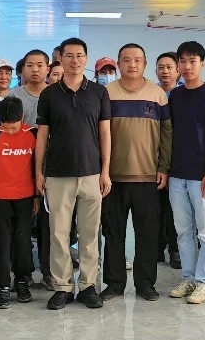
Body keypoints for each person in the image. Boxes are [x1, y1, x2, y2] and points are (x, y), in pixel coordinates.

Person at [36, 37, 111, 310]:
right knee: (59, 233)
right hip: (57, 174)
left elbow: (105, 133)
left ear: (86, 59)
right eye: (69, 55)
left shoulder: (99, 93)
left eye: (80, 55)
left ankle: (89, 285)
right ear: (61, 59)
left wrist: (105, 171)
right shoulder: (49, 94)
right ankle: (62, 287)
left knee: (90, 234)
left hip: (92, 173)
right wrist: (39, 172)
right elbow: (42, 137)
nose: (75, 60)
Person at [101, 43, 171, 301]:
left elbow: (167, 134)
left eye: (137, 60)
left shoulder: (157, 94)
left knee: (147, 234)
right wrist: (102, 171)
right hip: (113, 178)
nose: (132, 64)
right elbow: (98, 134)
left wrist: (163, 166)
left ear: (144, 64)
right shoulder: (106, 93)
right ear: (119, 63)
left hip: (148, 177)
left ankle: (145, 284)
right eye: (126, 60)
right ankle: (114, 283)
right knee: (113, 234)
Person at [166, 40, 205, 305]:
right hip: (177, 174)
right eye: (183, 61)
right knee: (183, 231)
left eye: (193, 61)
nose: (187, 66)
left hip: (202, 176)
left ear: (202, 64)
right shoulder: (175, 96)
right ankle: (189, 277)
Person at [0, 96, 38, 308]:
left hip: (26, 197)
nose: (9, 131)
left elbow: (37, 167)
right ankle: (2, 286)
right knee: (2, 243)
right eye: (6, 127)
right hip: (1, 197)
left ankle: (22, 280)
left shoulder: (32, 134)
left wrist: (37, 196)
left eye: (14, 127)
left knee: (23, 242)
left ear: (22, 117)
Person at [11, 49, 52, 285]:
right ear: (23, 69)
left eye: (39, 65)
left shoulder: (56, 94)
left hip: (51, 168)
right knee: (22, 224)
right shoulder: (13, 97)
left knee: (49, 224)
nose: (35, 70)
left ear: (48, 68)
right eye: (30, 65)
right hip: (20, 169)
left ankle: (48, 271)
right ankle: (23, 273)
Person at [154, 50, 181, 267]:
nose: (165, 71)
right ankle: (157, 248)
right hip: (153, 159)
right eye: (161, 67)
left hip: (179, 159)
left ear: (177, 70)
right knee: (156, 207)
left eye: (169, 67)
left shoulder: (184, 95)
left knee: (176, 209)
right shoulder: (151, 94)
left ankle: (175, 249)